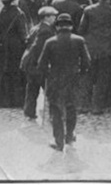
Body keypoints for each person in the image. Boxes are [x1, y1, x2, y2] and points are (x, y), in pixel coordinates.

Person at [36, 13, 91, 151]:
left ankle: (58, 141)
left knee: (55, 109)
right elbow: (87, 62)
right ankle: (70, 136)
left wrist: (48, 74)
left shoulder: (50, 42)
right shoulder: (79, 40)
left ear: (57, 27)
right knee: (71, 107)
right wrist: (81, 74)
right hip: (73, 78)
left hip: (55, 79)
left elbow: (41, 64)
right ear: (71, 26)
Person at [0, 0, 28, 108]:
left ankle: (1, 99)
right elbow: (22, 33)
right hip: (15, 46)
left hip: (1, 45)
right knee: (15, 71)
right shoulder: (19, 13)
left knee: (1, 70)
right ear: (14, 0)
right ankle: (16, 100)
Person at [21, 6, 58, 120]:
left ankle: (29, 112)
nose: (55, 18)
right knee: (51, 90)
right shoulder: (46, 31)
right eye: (53, 16)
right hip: (37, 64)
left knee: (32, 88)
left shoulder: (35, 28)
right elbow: (40, 48)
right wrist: (45, 64)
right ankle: (54, 114)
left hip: (29, 63)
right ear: (46, 17)